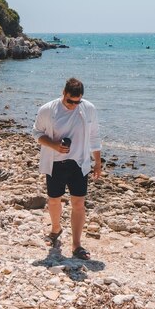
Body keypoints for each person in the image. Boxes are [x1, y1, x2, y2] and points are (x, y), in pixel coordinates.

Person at [33, 77, 101, 260]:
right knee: (54, 200)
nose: (73, 105)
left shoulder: (88, 109)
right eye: (70, 101)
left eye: (77, 102)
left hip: (79, 163)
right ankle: (56, 229)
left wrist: (97, 161)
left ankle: (76, 245)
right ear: (64, 93)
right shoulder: (48, 110)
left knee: (78, 204)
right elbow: (37, 133)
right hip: (55, 162)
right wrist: (54, 145)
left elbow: (94, 136)